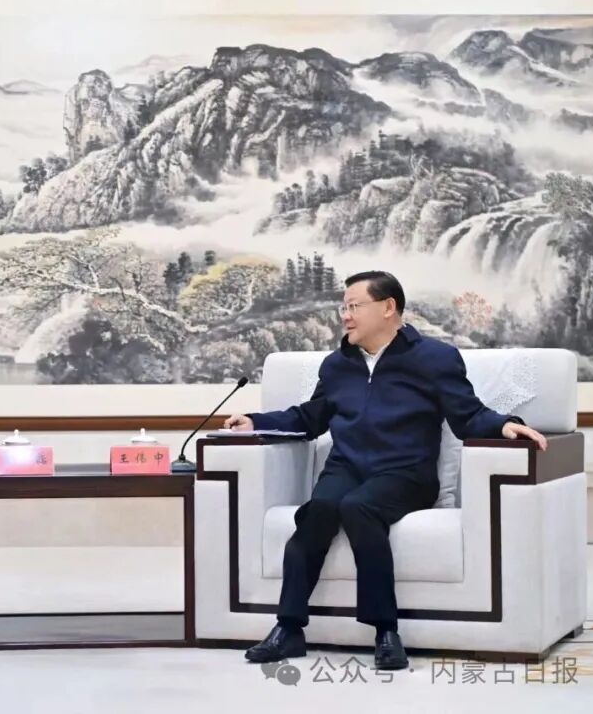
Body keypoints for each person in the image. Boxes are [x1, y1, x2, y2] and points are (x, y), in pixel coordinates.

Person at [224, 271, 546, 670]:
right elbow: (310, 417)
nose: (345, 316)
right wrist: (255, 422)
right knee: (318, 510)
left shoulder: (434, 358)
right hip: (348, 466)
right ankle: (288, 628)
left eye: (354, 306)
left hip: (406, 472)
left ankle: (385, 631)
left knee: (359, 507)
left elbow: (467, 414)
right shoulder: (337, 365)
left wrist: (504, 425)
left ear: (388, 307)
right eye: (343, 308)